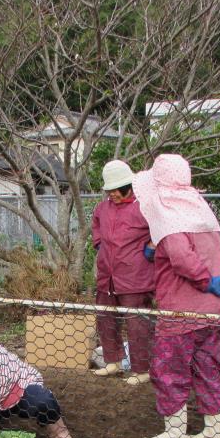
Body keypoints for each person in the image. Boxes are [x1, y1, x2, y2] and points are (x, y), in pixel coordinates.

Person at [132, 154, 220, 438]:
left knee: (170, 369)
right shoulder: (198, 207)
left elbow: (181, 257)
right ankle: (215, 429)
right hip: (212, 309)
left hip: (182, 309)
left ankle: (175, 433)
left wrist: (203, 280)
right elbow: (192, 248)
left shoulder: (169, 210)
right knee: (208, 367)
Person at [90, 159, 156, 385]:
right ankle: (113, 362)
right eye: (109, 190)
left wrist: (151, 247)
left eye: (117, 189)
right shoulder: (103, 207)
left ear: (128, 185)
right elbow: (96, 224)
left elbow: (161, 229)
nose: (113, 194)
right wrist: (98, 243)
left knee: (137, 323)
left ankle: (142, 370)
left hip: (135, 276)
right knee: (106, 318)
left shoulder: (144, 206)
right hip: (107, 275)